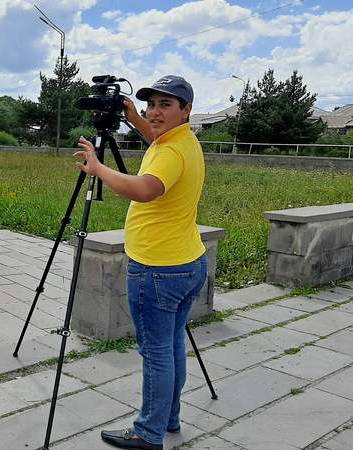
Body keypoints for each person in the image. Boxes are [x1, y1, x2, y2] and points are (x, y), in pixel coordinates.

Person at [74, 75, 208, 450]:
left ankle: (148, 433)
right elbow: (156, 137)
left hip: (157, 269)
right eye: (151, 104)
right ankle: (169, 417)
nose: (156, 112)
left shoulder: (170, 152)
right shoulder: (182, 141)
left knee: (156, 353)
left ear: (186, 110)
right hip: (188, 262)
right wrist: (134, 117)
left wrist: (98, 169)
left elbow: (147, 189)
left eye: (166, 105)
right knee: (170, 346)